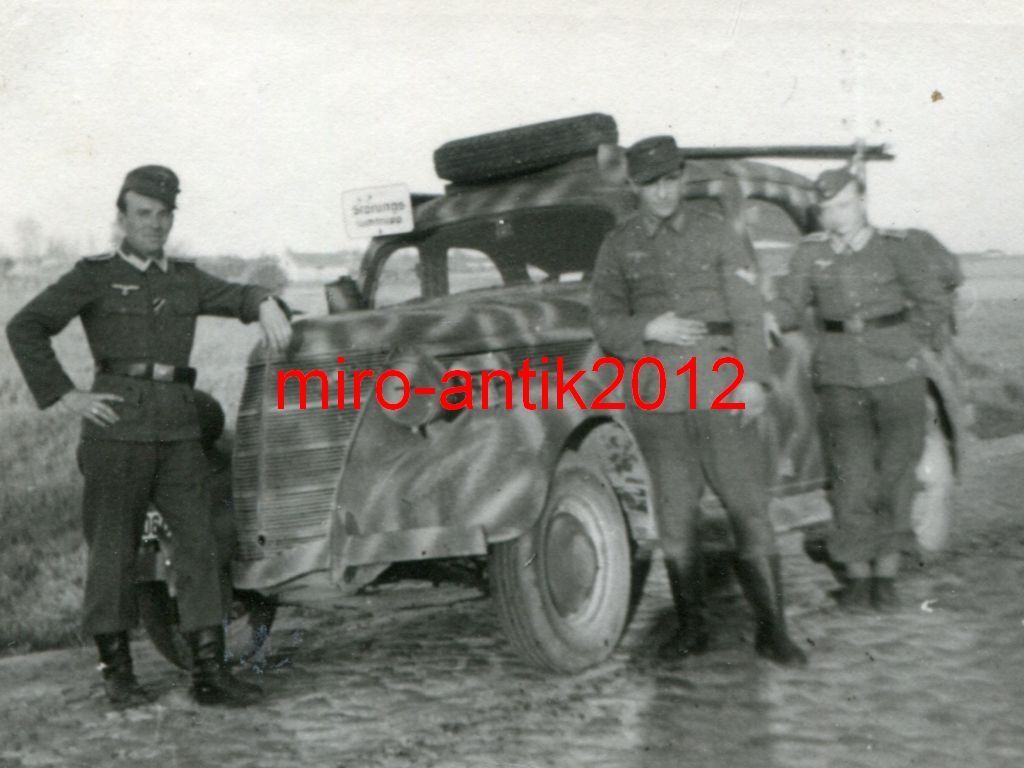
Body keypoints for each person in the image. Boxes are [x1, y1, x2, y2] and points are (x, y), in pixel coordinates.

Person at [6, 165, 293, 707]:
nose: (155, 225)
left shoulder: (184, 278)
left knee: (201, 546)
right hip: (116, 431)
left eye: (164, 215)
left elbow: (236, 295)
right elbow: (26, 325)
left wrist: (263, 301)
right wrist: (69, 396)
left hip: (180, 431)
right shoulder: (92, 276)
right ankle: (117, 676)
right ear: (122, 218)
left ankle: (208, 673)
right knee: (113, 552)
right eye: (143, 214)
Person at [590, 135, 807, 666]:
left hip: (721, 384)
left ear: (681, 179)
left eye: (669, 181)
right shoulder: (618, 246)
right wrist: (649, 326)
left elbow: (747, 310)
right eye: (649, 184)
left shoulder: (716, 233)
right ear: (634, 187)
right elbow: (603, 320)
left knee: (747, 506)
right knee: (674, 515)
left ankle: (772, 629)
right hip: (658, 395)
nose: (661, 193)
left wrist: (754, 380)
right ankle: (692, 629)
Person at [769, 166, 950, 612]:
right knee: (850, 479)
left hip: (897, 374)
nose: (836, 216)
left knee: (895, 475)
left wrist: (913, 346)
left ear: (863, 201)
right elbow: (790, 303)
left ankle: (885, 576)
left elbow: (932, 300)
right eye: (827, 209)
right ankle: (857, 577)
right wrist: (769, 317)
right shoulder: (810, 254)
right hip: (839, 377)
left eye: (844, 205)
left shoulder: (896, 248)